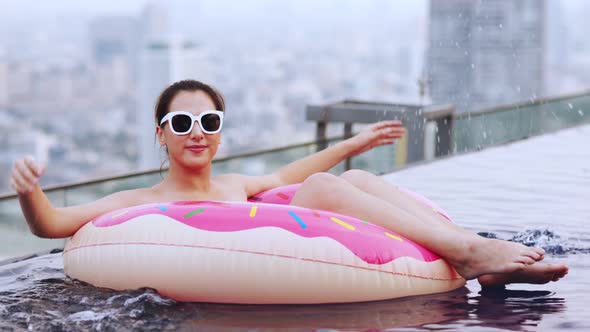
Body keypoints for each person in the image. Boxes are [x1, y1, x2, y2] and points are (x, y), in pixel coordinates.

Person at [10, 79, 568, 288]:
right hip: (205, 274)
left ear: (221, 132)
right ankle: (469, 253)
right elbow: (52, 226)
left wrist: (354, 144)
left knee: (342, 177)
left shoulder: (233, 185)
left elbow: (285, 176)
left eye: (209, 122)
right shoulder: (139, 202)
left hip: (287, 238)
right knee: (324, 188)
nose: (196, 133)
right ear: (162, 134)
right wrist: (31, 192)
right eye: (182, 123)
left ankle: (469, 249)